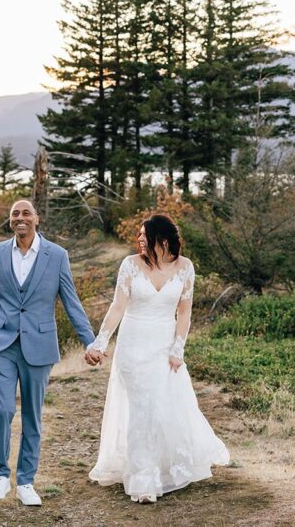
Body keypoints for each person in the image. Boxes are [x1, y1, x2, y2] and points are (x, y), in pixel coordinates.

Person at [86, 213, 230, 503]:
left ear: (162, 240)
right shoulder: (130, 265)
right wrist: (100, 343)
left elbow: (185, 312)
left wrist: (178, 350)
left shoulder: (185, 268)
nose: (138, 239)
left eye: (143, 235)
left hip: (164, 347)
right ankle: (143, 481)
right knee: (141, 410)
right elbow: (117, 307)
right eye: (138, 235)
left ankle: (166, 465)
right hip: (133, 345)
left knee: (163, 407)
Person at [0, 199, 100, 506]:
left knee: (33, 416)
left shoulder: (56, 256)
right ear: (10, 221)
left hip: (39, 347)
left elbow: (71, 302)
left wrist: (90, 341)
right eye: (15, 214)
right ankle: (1, 477)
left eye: (26, 213)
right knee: (2, 409)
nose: (21, 218)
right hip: (1, 344)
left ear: (37, 219)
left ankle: (26, 482)